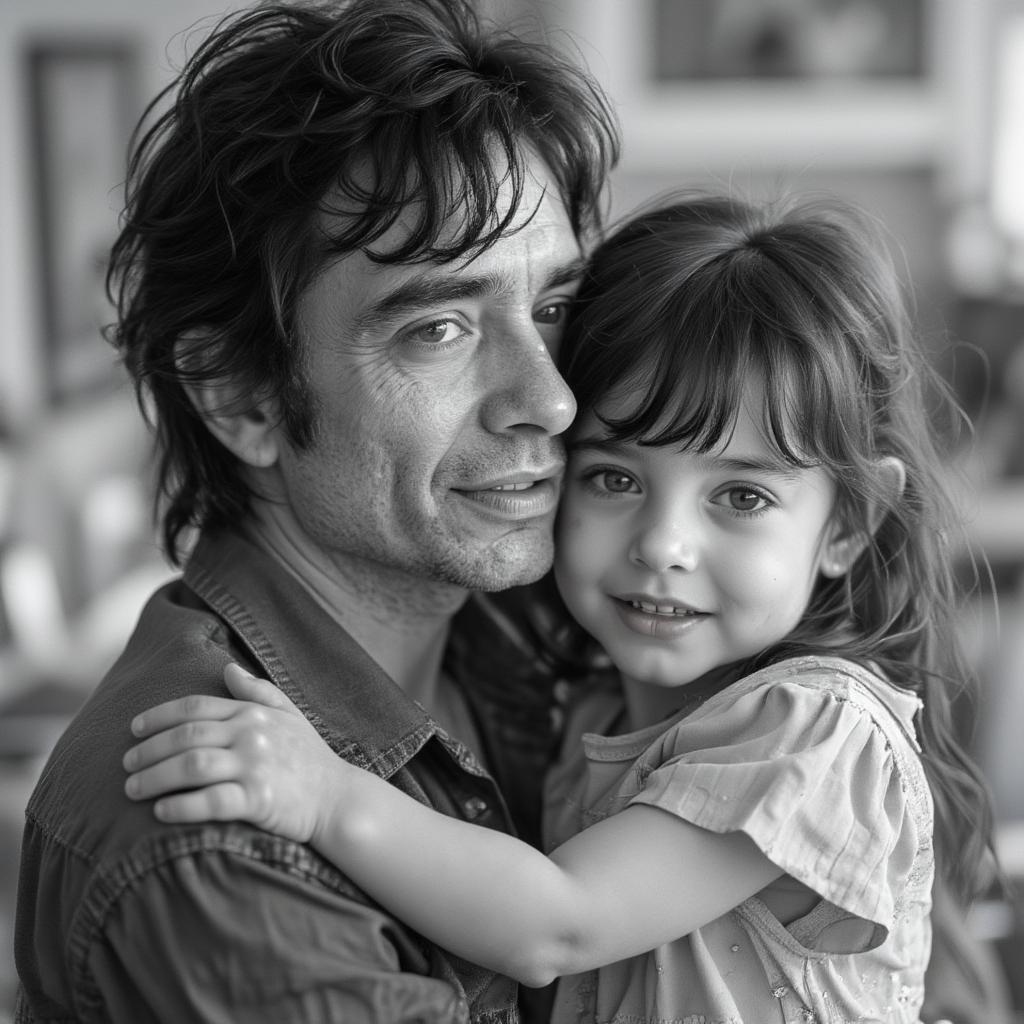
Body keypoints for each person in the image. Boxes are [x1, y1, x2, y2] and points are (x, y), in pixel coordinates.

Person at [122, 193, 996, 1023]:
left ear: (848, 522)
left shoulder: (814, 734)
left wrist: (323, 798)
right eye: (615, 478)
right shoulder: (583, 716)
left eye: (741, 498)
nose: (662, 544)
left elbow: (559, 925)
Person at [13, 2, 619, 1021]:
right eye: (438, 328)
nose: (549, 399)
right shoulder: (212, 838)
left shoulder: (542, 631)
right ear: (242, 396)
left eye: (553, 308)